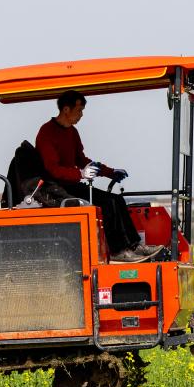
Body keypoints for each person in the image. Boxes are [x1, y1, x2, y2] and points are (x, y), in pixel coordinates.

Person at [35, 90, 164, 263]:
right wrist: (80, 174)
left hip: (71, 184)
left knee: (116, 200)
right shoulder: (47, 132)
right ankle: (117, 251)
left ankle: (134, 245)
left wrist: (110, 172)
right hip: (55, 189)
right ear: (66, 109)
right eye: (79, 110)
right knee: (107, 203)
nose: (81, 115)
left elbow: (82, 159)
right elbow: (52, 169)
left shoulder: (72, 132)